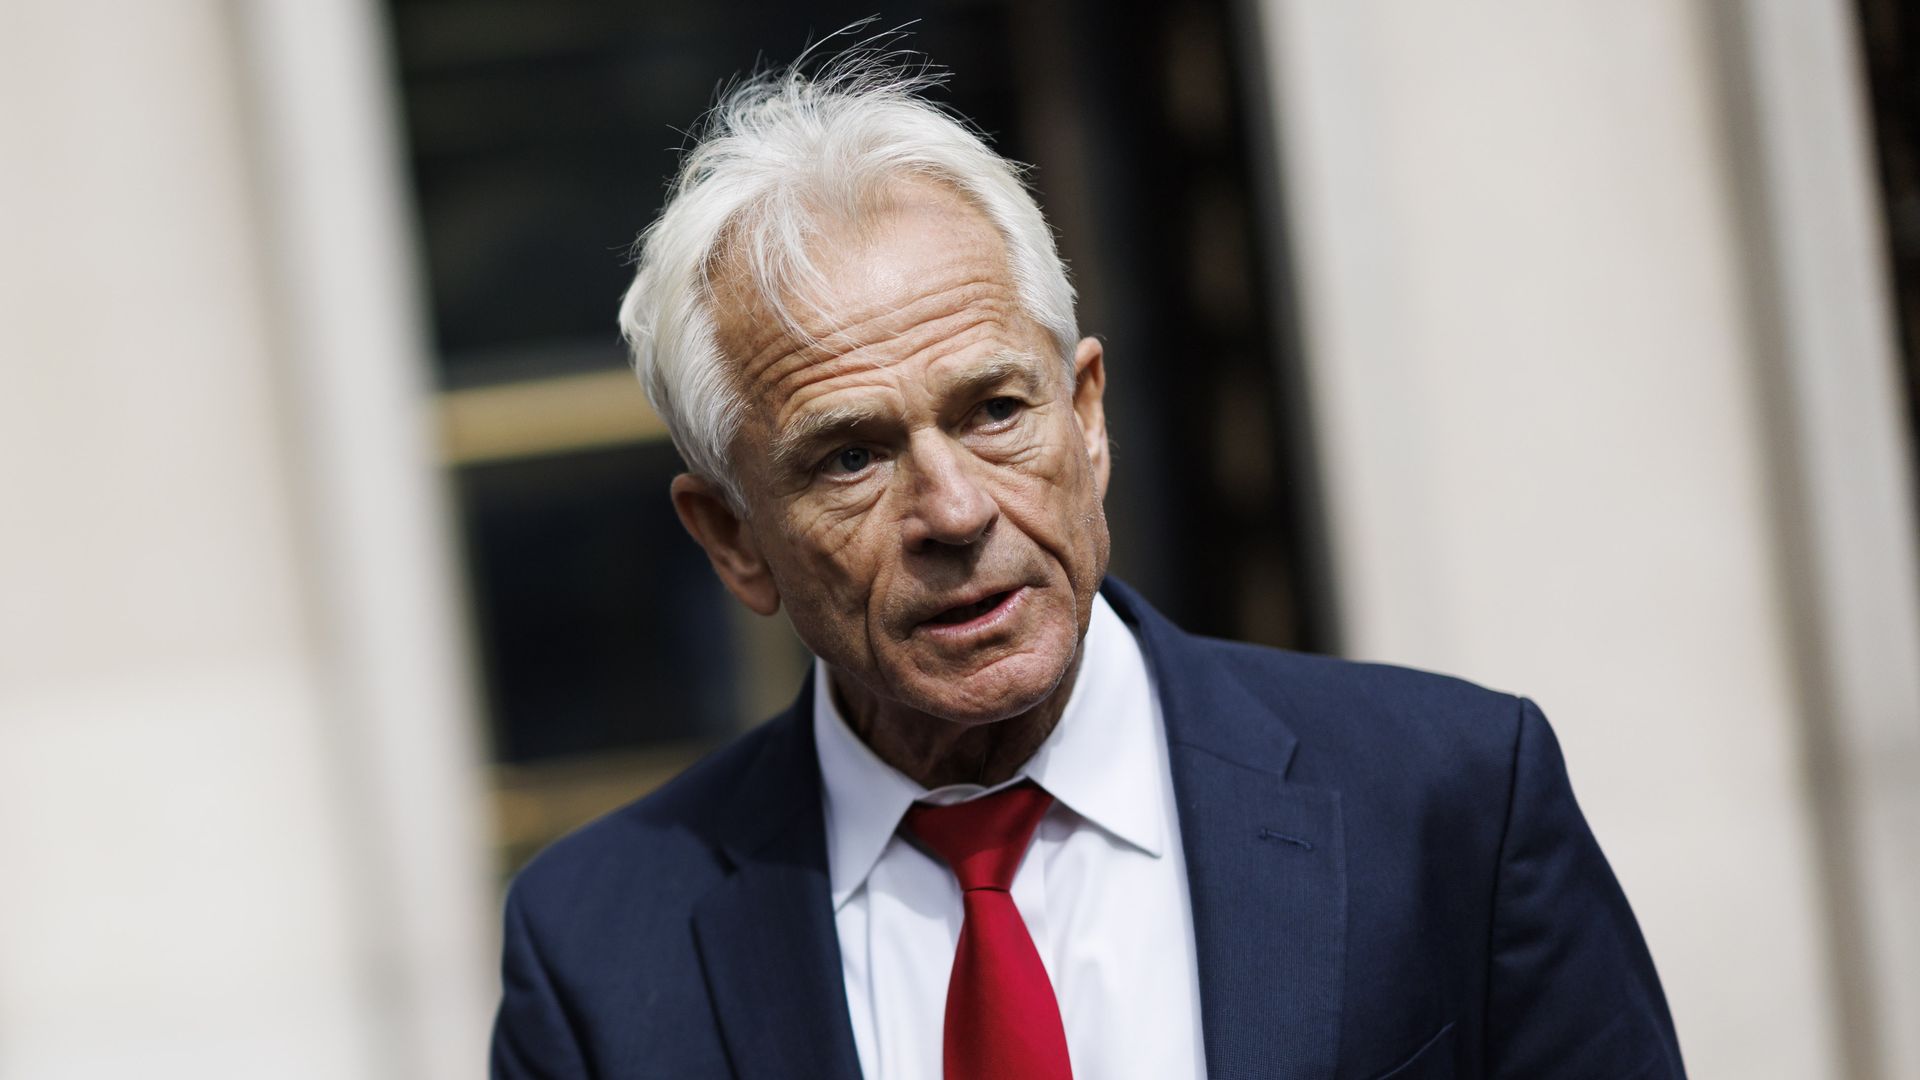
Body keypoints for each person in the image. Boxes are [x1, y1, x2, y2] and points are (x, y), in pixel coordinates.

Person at [490, 56, 1685, 1080]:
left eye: (996, 410)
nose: (954, 510)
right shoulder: (600, 957)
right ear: (733, 539)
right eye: (851, 456)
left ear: (1090, 419)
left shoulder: (1450, 804)